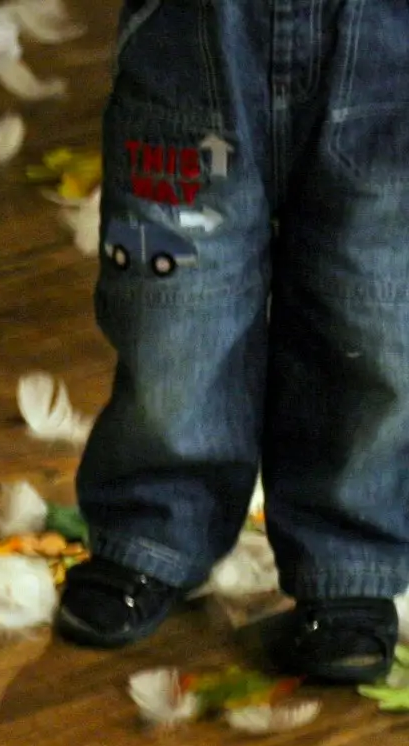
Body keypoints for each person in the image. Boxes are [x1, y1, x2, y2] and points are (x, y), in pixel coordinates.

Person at [54, 0, 407, 682]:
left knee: (378, 311)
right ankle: (154, 523)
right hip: (193, 37)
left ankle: (348, 562)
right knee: (172, 305)